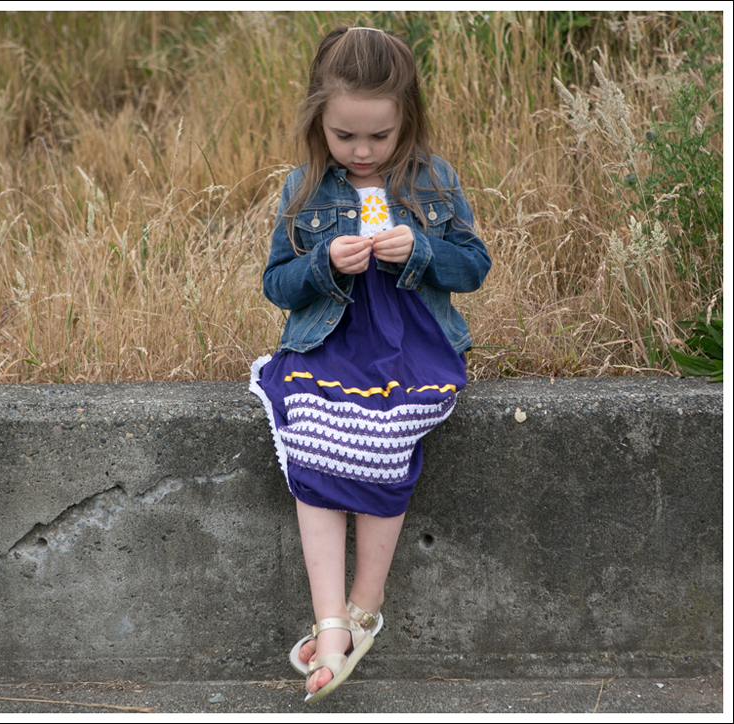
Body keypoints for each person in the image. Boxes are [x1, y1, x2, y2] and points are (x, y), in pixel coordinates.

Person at [249, 25, 490, 703]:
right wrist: (322, 263)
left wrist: (421, 251)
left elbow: (474, 266)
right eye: (344, 135)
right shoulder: (305, 187)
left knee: (384, 435)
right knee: (312, 430)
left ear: (407, 119)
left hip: (411, 341)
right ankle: (330, 620)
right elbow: (276, 284)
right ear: (318, 122)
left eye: (379, 136)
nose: (361, 151)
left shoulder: (434, 179)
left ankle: (365, 605)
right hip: (331, 341)